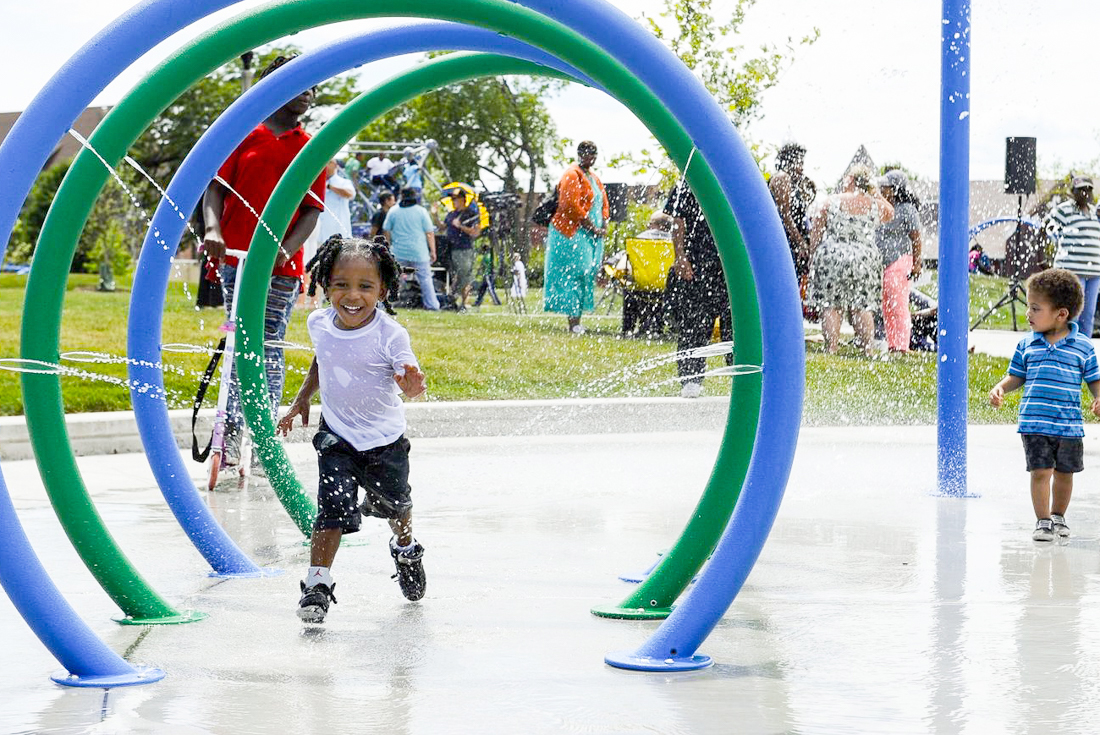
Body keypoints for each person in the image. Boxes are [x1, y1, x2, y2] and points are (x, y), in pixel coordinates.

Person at [278, 236, 428, 622]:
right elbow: (322, 360)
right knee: (330, 511)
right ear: (326, 284)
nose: (352, 295)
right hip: (337, 437)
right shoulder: (319, 322)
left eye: (365, 286)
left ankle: (405, 548)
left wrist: (410, 383)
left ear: (383, 290)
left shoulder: (389, 334)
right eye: (341, 284)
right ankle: (317, 585)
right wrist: (301, 399)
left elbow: (404, 369)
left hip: (384, 442)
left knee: (397, 507)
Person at [201, 54, 326, 465]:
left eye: (313, 86)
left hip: (280, 266)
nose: (308, 92)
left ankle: (263, 432)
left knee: (268, 342)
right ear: (275, 86)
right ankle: (232, 432)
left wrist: (285, 250)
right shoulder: (244, 135)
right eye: (299, 83)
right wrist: (213, 230)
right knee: (240, 340)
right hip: (236, 256)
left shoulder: (310, 148)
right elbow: (215, 189)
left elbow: (311, 209)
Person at [989, 268, 1100, 542]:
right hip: (1035, 423)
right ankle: (1042, 521)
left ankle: (1058, 516)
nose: (1028, 314)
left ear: (1061, 314)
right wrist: (1001, 387)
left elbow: (1094, 380)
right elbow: (1017, 376)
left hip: (1069, 425)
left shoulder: (1083, 347)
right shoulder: (1027, 344)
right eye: (1029, 307)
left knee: (1065, 474)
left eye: (1035, 308)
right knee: (1040, 472)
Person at [807, 165, 894, 356]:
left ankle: (832, 347)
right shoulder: (874, 204)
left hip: (833, 256)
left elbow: (816, 231)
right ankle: (868, 349)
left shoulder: (831, 201)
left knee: (831, 304)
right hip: (864, 259)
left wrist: (813, 256)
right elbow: (890, 212)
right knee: (862, 306)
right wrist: (876, 193)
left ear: (851, 180)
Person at [664, 180, 733, 398]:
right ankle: (690, 378)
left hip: (729, 264)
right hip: (696, 261)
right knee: (694, 322)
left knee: (734, 325)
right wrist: (680, 256)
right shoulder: (689, 182)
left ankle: (742, 378)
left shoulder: (730, 180)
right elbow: (678, 221)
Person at [543, 140, 609, 334]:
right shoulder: (572, 174)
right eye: (588, 154)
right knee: (575, 273)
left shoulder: (593, 177)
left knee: (587, 272)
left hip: (589, 235)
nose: (591, 158)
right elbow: (569, 205)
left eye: (594, 154)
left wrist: (604, 222)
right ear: (580, 154)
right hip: (571, 234)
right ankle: (573, 323)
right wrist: (592, 228)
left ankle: (577, 319)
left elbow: (603, 203)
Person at [875, 169, 923, 353]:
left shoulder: (907, 210)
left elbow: (916, 238)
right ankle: (893, 344)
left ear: (895, 189)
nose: (882, 189)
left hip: (900, 261)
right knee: (887, 306)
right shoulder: (884, 208)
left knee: (898, 305)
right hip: (885, 264)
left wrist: (917, 263)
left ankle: (903, 345)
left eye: (885, 187)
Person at [1046, 175, 1100, 337]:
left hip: (1094, 273)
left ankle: (1084, 353)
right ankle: (1066, 351)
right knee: (1072, 315)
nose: (1085, 192)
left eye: (1089, 189)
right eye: (1081, 189)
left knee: (1087, 317)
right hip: (1072, 271)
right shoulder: (1064, 209)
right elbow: (1048, 229)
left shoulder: (1094, 212)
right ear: (1073, 192)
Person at [768, 142, 817, 308]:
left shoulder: (792, 181)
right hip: (784, 242)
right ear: (789, 161)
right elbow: (785, 215)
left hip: (789, 241)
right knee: (784, 285)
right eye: (799, 163)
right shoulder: (782, 178)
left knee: (790, 285)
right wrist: (800, 242)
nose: (801, 168)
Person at [383, 187, 439, 310]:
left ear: (401, 197)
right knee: (425, 279)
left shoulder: (393, 211)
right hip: (419, 253)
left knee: (392, 278)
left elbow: (386, 230)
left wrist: (388, 246)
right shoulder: (421, 211)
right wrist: (433, 250)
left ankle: (384, 305)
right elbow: (429, 232)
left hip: (398, 252)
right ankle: (433, 305)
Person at [622, 211, 674, 337]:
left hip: (641, 284)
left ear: (660, 225)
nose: (648, 227)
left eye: (650, 224)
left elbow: (626, 261)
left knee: (628, 288)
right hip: (665, 286)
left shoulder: (640, 239)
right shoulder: (673, 241)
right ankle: (660, 327)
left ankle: (628, 328)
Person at [441, 188, 483, 311]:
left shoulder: (471, 214)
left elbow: (476, 232)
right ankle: (452, 299)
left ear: (463, 199)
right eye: (452, 199)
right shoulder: (451, 214)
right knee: (454, 276)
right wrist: (434, 215)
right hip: (451, 249)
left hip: (464, 249)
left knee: (464, 275)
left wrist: (461, 226)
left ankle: (462, 301)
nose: (453, 201)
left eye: (455, 199)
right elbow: (442, 227)